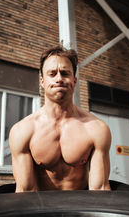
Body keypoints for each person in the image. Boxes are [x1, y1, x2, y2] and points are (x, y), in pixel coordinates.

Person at [9, 45, 112, 192]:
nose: (59, 79)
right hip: (42, 209)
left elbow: (100, 188)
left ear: (74, 81)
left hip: (81, 207)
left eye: (65, 73)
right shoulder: (23, 131)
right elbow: (26, 191)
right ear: (42, 81)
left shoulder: (96, 128)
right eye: (52, 74)